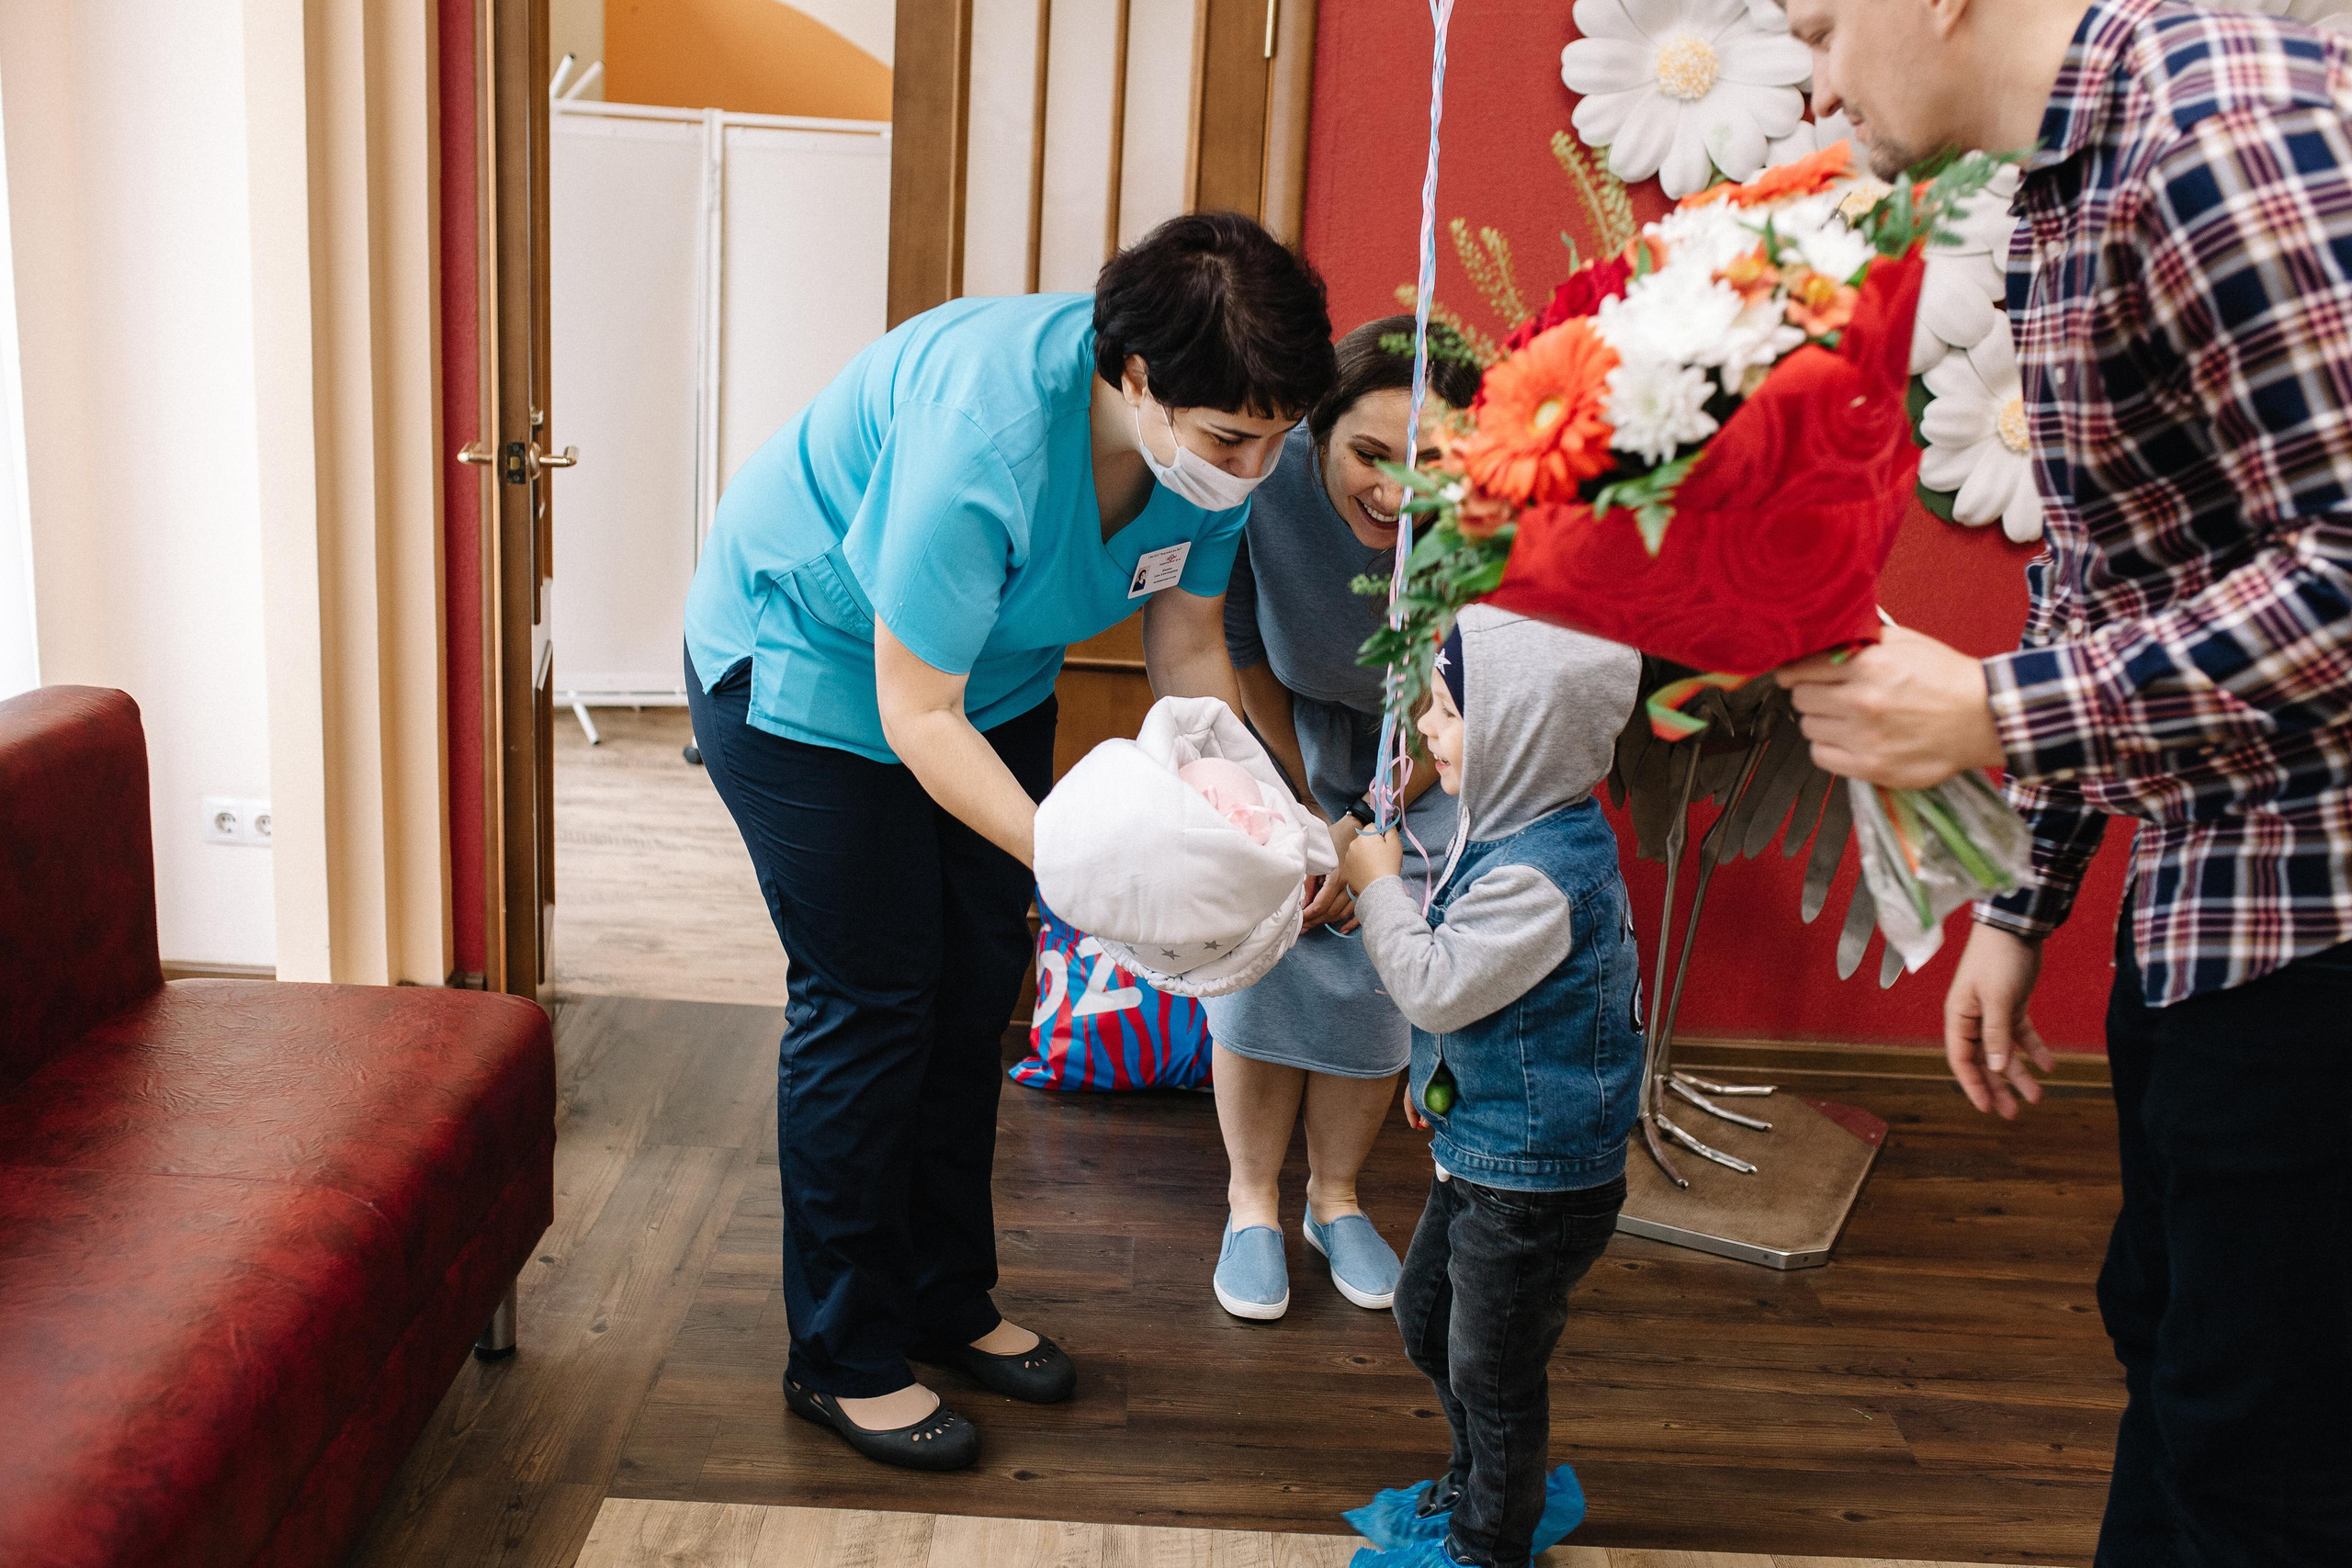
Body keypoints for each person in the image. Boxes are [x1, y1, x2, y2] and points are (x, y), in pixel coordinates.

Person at [1776, 0, 2352, 1559]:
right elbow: (2113, 577)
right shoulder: (2065, 184)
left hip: (2324, 932)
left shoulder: (2218, 128)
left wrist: (1999, 708)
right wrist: (2019, 903)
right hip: (2219, 902)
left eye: (1821, 25)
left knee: (2262, 1446)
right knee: (2174, 1347)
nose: (1819, 77)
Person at [682, 212, 1336, 1472]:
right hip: (812, 676)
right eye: (1230, 441)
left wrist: (1275, 823)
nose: (1255, 470)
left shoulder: (1210, 458)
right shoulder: (981, 427)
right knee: (874, 997)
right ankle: (841, 1351)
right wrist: (1092, 864)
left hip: (986, 684)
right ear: (1134, 379)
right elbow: (908, 709)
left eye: (1274, 440)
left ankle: (943, 1292)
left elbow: (1191, 654)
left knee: (979, 985)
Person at [1339, 607, 1643, 1568]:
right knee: (1428, 1323)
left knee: (1495, 1370)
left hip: (1535, 1182)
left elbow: (1433, 982)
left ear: (1522, 734)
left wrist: (1375, 886)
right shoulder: (1510, 826)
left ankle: (1486, 1543)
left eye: (1444, 710)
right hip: (1487, 1150)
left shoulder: (1544, 875)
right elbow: (1470, 999)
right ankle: (1480, 1481)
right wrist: (1436, 1083)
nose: (1426, 730)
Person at [1204, 318, 1481, 1322]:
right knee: (1270, 936)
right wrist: (1305, 805)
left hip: (1433, 753)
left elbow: (1447, 700)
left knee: (1382, 946)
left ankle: (1335, 1199)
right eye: (1369, 454)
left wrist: (1363, 831)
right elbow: (1237, 646)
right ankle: (1248, 1206)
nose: (1396, 492)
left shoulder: (1475, 519)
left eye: (1430, 466)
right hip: (1292, 740)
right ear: (1317, 432)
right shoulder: (1261, 486)